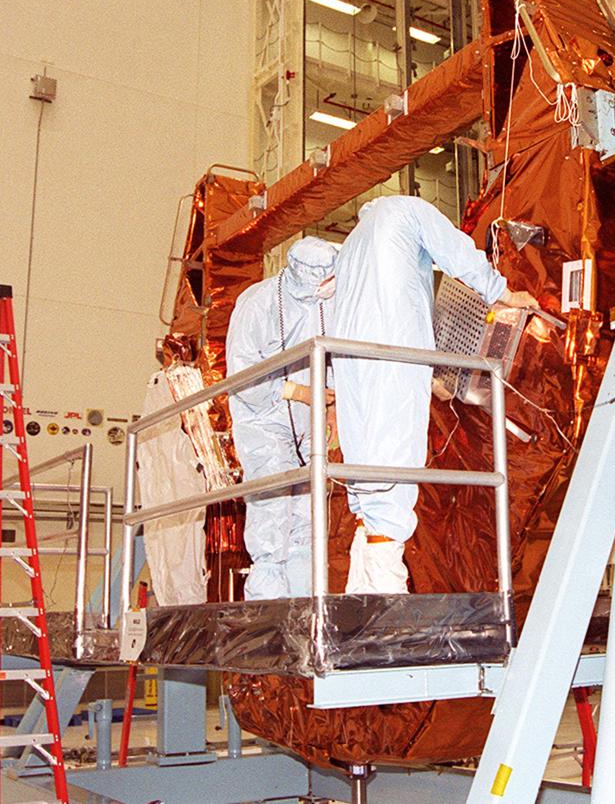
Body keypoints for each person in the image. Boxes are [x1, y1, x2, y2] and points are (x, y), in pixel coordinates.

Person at [333, 196, 538, 594]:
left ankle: (362, 593)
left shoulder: (355, 242)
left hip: (352, 360)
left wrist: (428, 376)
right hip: (395, 351)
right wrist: (501, 292)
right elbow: (454, 249)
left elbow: (380, 298)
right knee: (395, 464)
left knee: (367, 471)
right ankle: (386, 599)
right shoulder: (407, 210)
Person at [227, 236, 338, 600]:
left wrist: (331, 410)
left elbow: (334, 358)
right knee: (272, 509)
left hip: (309, 425)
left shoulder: (325, 304)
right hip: (265, 420)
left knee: (307, 515)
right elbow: (243, 374)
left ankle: (306, 599)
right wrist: (299, 393)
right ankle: (268, 606)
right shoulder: (257, 303)